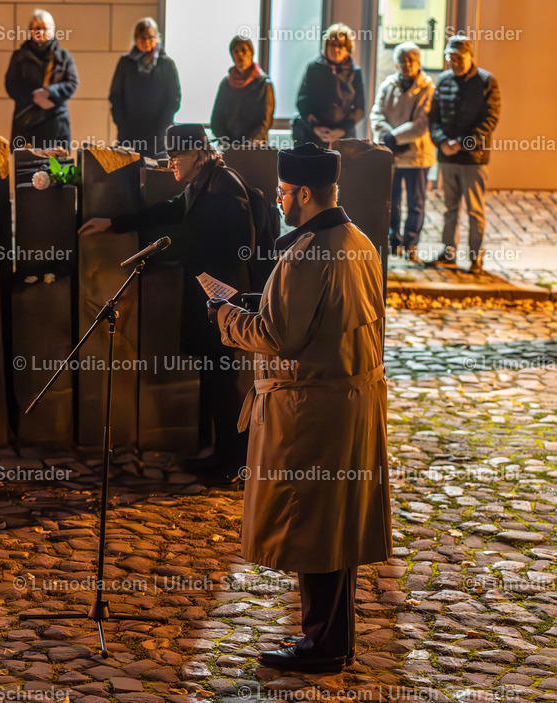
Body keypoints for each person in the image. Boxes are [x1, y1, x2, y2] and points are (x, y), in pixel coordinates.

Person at [208, 143, 390, 674]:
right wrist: (255, 301)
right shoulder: (358, 241)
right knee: (334, 527)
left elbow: (278, 335)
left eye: (286, 193)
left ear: (305, 192)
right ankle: (331, 638)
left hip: (313, 410)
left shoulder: (308, 251)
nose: (282, 201)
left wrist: (224, 315)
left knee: (313, 527)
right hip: (350, 403)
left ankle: (322, 646)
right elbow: (324, 317)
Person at [79, 124, 255, 483]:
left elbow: (199, 241)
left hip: (223, 297)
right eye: (169, 158)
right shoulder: (202, 183)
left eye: (176, 158)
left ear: (197, 155)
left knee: (223, 379)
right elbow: (172, 210)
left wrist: (145, 264)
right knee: (211, 374)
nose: (171, 165)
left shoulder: (224, 189)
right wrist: (113, 222)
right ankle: (219, 453)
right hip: (207, 296)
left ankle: (234, 460)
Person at [428, 34, 500, 274]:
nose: (453, 62)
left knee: (474, 210)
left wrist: (463, 142)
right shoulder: (444, 80)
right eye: (450, 57)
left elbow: (490, 118)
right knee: (449, 208)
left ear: (470, 56)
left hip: (473, 158)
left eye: (458, 57)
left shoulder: (486, 81)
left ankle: (475, 257)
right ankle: (448, 252)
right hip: (448, 157)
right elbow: (434, 118)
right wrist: (441, 141)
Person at [370, 41, 434, 264]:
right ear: (396, 64)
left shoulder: (427, 87)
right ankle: (394, 240)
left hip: (416, 156)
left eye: (411, 60)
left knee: (416, 202)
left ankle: (411, 243)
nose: (406, 64)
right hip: (392, 155)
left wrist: (394, 138)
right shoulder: (387, 85)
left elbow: (421, 123)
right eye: (402, 60)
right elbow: (376, 113)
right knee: (391, 200)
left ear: (418, 62)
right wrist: (387, 137)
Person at [5, 10, 78, 151]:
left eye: (45, 27)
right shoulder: (19, 56)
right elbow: (11, 85)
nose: (40, 31)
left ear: (52, 30)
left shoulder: (63, 56)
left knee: (56, 170)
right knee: (26, 169)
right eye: (36, 28)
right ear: (30, 31)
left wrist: (49, 93)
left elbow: (72, 83)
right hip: (27, 122)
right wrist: (34, 97)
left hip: (56, 122)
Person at [108, 17, 180, 158]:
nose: (146, 41)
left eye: (150, 37)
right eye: (142, 37)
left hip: (157, 134)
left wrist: (161, 127)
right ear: (135, 38)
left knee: (155, 175)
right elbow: (115, 96)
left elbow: (173, 99)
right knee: (128, 174)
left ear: (157, 38)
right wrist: (122, 125)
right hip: (129, 132)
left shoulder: (166, 64)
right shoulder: (125, 63)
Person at [292, 23, 364, 148]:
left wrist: (343, 130)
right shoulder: (314, 68)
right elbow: (302, 100)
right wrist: (315, 127)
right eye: (332, 45)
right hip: (313, 134)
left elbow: (359, 107)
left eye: (341, 45)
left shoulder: (355, 72)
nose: (336, 49)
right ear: (326, 46)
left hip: (343, 136)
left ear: (348, 49)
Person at [210, 35, 274, 145]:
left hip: (254, 147)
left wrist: (249, 143)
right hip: (228, 147)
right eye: (236, 51)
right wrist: (227, 142)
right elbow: (216, 120)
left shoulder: (263, 84)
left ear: (251, 53)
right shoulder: (226, 84)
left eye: (243, 50)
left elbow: (265, 121)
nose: (240, 55)